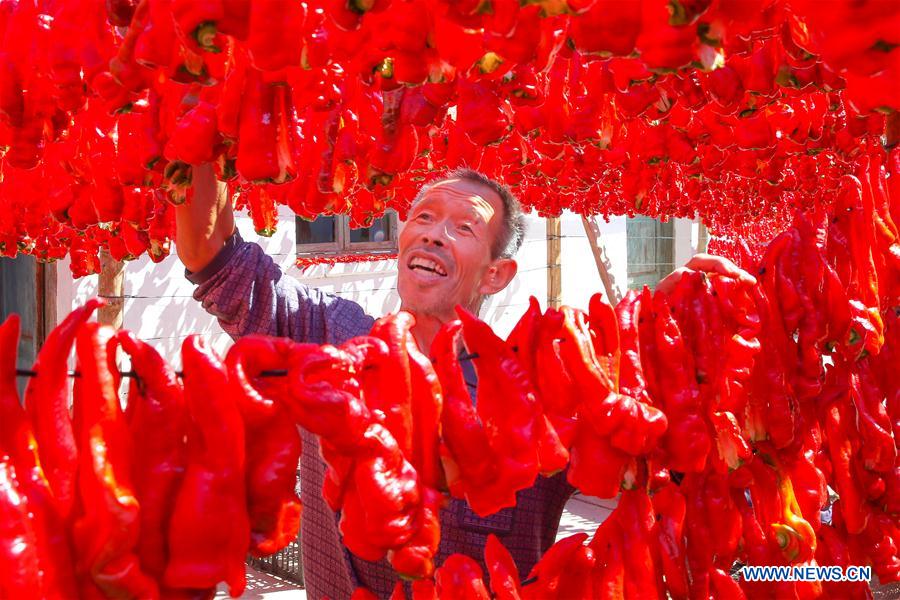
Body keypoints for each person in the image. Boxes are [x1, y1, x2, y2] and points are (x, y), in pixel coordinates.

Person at [176, 163, 754, 599]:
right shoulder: (330, 332)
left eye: (463, 227)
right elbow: (214, 258)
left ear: (496, 274)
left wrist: (667, 325)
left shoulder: (535, 387)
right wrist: (207, 131)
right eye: (423, 217)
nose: (433, 234)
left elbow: (657, 469)